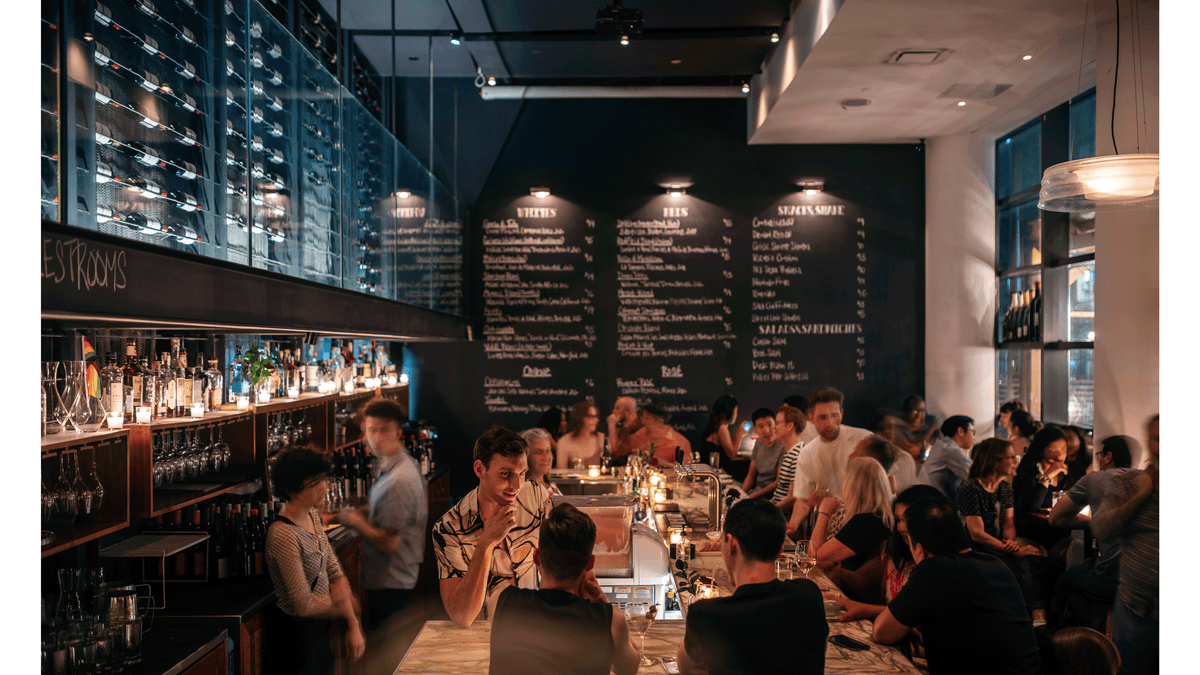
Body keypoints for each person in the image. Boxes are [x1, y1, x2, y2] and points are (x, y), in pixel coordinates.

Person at [872, 496, 1040, 675]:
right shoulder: (995, 563)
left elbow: (881, 631)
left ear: (920, 550)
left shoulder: (934, 569)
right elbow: (977, 641)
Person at [676, 499, 826, 675]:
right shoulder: (809, 595)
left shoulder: (707, 614)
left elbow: (684, 666)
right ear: (779, 551)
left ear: (731, 544)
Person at [489, 504, 640, 675]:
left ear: (537, 557)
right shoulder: (612, 621)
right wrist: (601, 602)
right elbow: (630, 668)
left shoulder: (501, 601)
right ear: (590, 563)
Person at [432, 426, 554, 627]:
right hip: (483, 639)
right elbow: (462, 616)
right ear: (480, 469)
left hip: (536, 629)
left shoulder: (536, 496)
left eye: (522, 473)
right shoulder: (449, 528)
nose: (516, 485)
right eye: (505, 474)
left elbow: (555, 563)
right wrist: (485, 544)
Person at [265, 444, 365, 674]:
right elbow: (302, 605)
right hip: (294, 644)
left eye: (324, 479)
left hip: (320, 635)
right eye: (314, 484)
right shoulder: (283, 534)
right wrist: (343, 606)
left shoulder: (312, 517)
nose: (324, 488)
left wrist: (353, 624)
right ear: (291, 490)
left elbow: (335, 573)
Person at [335, 399, 428, 629]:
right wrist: (364, 510)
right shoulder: (395, 463)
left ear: (398, 432)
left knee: (389, 657)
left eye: (384, 430)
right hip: (394, 578)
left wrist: (355, 521)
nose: (377, 437)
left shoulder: (399, 480)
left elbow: (390, 544)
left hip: (391, 582)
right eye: (371, 430)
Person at [956, 438, 1052, 629]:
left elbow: (1009, 522)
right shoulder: (970, 488)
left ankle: (1032, 617)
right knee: (1020, 561)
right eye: (1012, 457)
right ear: (995, 460)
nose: (1017, 461)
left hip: (1000, 545)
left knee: (1039, 560)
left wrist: (1011, 544)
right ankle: (1035, 615)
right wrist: (1011, 549)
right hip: (975, 548)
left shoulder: (1005, 488)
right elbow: (976, 533)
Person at [1092, 415, 1158, 675]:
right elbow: (1101, 529)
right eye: (1159, 439)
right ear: (1150, 443)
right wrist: (1139, 497)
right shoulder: (1129, 481)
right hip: (1135, 608)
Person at [824, 484, 945, 621]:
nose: (902, 527)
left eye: (909, 520)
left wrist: (824, 513)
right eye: (899, 520)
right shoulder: (893, 550)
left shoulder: (941, 564)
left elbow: (915, 613)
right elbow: (850, 578)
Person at [1049, 435, 1136, 602]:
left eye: (1100, 455)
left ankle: (1076, 627)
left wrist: (1092, 521)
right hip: (1146, 576)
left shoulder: (1094, 478)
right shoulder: (1147, 479)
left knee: (1064, 581)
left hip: (1112, 577)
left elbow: (1055, 518)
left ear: (1108, 456)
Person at [787, 387, 873, 528]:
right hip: (830, 523)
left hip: (865, 520)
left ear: (842, 414)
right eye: (823, 417)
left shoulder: (863, 439)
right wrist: (792, 526)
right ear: (811, 418)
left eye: (834, 415)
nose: (830, 423)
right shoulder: (807, 453)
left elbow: (889, 484)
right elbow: (803, 499)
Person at [810, 458, 893, 602]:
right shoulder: (882, 517)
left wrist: (824, 513)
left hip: (859, 601)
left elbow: (813, 558)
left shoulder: (866, 523)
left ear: (852, 487)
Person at [1013, 425, 1073, 552]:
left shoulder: (1070, 471)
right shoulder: (1028, 473)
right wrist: (1047, 477)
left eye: (1063, 448)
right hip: (1032, 533)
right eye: (1053, 450)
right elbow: (1032, 507)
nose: (1060, 454)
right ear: (1041, 450)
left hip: (1059, 533)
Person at [916, 415, 974, 502]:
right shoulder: (951, 451)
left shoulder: (941, 445)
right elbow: (978, 477)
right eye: (973, 432)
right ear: (961, 431)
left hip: (927, 500)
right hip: (934, 505)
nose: (974, 438)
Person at [700, 394, 749, 482]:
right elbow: (732, 454)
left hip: (709, 473)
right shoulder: (722, 428)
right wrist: (740, 432)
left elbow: (729, 449)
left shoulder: (715, 425)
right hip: (713, 476)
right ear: (729, 412)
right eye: (735, 411)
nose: (736, 415)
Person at [768, 405, 807, 513]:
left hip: (783, 516)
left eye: (777, 423)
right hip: (776, 510)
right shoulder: (790, 452)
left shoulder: (798, 456)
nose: (774, 427)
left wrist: (768, 511)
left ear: (790, 426)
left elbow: (791, 499)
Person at [627, 404, 691, 466]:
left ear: (660, 422)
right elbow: (622, 451)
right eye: (643, 417)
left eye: (647, 419)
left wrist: (666, 464)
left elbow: (686, 469)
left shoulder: (680, 443)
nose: (643, 421)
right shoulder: (640, 434)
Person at [741, 407, 782, 499]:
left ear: (776, 424)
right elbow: (750, 476)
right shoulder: (759, 442)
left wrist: (750, 497)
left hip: (771, 497)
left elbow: (778, 482)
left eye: (770, 424)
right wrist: (741, 493)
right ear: (755, 429)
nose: (766, 430)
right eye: (761, 426)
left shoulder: (783, 446)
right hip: (756, 492)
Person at [556, 401, 606, 469]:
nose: (596, 420)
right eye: (591, 416)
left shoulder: (601, 438)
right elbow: (561, 471)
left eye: (596, 416)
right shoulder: (564, 441)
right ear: (580, 418)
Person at [521, 428, 562, 496]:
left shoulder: (550, 484)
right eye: (538, 452)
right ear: (527, 456)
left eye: (548, 450)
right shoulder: (526, 489)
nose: (546, 457)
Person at [605, 396, 642, 467]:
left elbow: (616, 451)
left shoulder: (638, 427)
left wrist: (611, 425)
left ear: (628, 410)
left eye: (617, 408)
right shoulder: (624, 427)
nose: (613, 411)